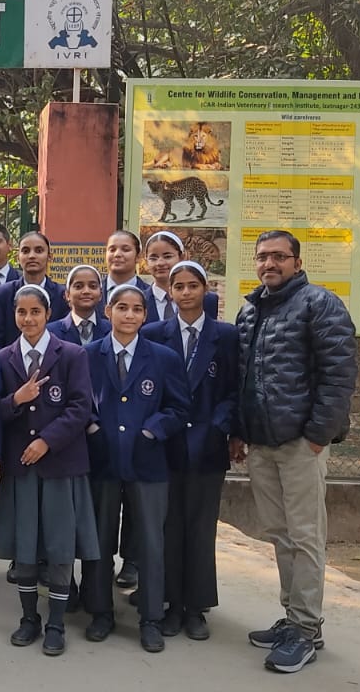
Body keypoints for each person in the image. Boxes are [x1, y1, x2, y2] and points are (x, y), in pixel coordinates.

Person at [233, 230, 357, 674]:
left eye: (279, 257)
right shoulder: (250, 310)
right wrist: (240, 432)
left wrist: (318, 435)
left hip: (301, 443)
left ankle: (305, 630)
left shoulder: (319, 304)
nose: (270, 264)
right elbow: (244, 377)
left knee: (305, 537)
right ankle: (294, 618)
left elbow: (339, 375)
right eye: (263, 257)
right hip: (262, 443)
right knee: (279, 534)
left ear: (297, 263)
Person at [79, 284, 188, 654]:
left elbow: (178, 408)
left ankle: (151, 618)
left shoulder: (163, 358)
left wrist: (151, 431)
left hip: (148, 464)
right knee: (99, 540)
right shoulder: (88, 355)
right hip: (103, 462)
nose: (129, 315)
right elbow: (80, 403)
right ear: (108, 311)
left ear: (145, 315)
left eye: (137, 309)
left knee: (151, 543)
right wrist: (93, 428)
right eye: (121, 307)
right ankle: (100, 612)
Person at [0, 283, 98, 656]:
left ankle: (56, 623)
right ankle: (28, 618)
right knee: (25, 544)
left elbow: (80, 407)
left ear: (48, 314)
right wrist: (15, 400)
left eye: (35, 311)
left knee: (59, 544)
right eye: (21, 312)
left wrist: (47, 441)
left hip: (60, 465)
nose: (28, 319)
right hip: (22, 468)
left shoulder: (72, 354)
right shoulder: (3, 358)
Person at [143, 261, 237, 642]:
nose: (185, 293)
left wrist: (219, 427)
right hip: (165, 445)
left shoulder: (225, 336)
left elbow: (233, 389)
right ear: (170, 292)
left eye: (192, 286)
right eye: (178, 286)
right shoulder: (154, 334)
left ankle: (196, 608)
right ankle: (171, 604)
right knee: (169, 527)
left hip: (207, 447)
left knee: (200, 528)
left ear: (205, 289)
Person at [0, 232, 70, 348]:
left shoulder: (62, 295)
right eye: (25, 251)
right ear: (18, 257)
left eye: (39, 251)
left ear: (50, 256)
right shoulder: (1, 295)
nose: (31, 256)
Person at [143, 231, 220, 323]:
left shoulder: (206, 299)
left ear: (182, 257)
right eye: (153, 258)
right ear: (146, 261)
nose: (160, 263)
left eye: (167, 256)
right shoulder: (139, 300)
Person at [48, 265, 108, 346]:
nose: (86, 291)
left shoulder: (111, 330)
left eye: (93, 286)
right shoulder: (51, 332)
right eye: (78, 286)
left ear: (100, 294)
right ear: (67, 294)